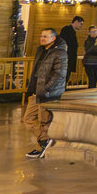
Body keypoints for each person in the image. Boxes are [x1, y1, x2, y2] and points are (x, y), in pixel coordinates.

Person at [23, 28, 68, 159]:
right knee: (28, 118)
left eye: (45, 36)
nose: (42, 38)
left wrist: (47, 88)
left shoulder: (60, 53)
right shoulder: (41, 51)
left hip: (47, 93)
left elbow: (59, 74)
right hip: (36, 91)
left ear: (53, 38)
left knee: (44, 120)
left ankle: (44, 145)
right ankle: (45, 141)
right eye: (41, 36)